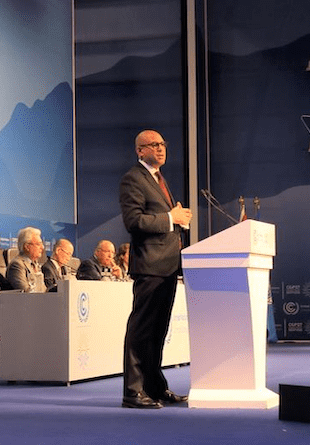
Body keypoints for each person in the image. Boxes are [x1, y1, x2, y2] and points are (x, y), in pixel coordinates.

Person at [119, 129, 192, 409]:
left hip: (167, 265)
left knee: (158, 330)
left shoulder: (158, 178)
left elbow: (159, 217)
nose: (160, 148)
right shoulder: (133, 179)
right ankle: (133, 392)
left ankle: (155, 387)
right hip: (150, 264)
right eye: (153, 145)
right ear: (140, 151)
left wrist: (177, 220)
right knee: (141, 330)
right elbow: (133, 221)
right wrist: (169, 218)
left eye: (163, 143)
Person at [7, 227, 46, 293]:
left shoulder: (35, 265)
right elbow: (26, 292)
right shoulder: (17, 265)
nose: (42, 247)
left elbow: (43, 290)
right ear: (27, 247)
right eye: (38, 244)